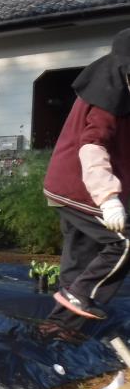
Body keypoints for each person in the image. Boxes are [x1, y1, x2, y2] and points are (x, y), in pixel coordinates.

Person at [43, 28, 130, 328]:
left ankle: (59, 333)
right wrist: (109, 200)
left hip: (70, 188)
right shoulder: (108, 95)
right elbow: (92, 146)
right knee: (125, 242)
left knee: (80, 264)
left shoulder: (116, 88)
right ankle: (80, 295)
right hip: (79, 189)